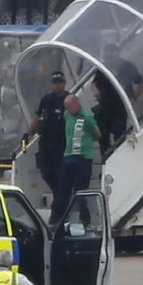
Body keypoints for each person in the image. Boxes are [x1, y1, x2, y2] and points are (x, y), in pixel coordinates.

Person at [49, 95, 101, 225]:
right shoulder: (67, 115)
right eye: (66, 107)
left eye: (69, 106)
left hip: (83, 157)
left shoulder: (87, 117)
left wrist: (87, 141)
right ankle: (59, 218)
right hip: (69, 156)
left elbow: (97, 134)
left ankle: (85, 218)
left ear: (76, 104)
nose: (67, 109)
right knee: (63, 189)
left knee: (80, 191)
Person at [23, 71, 70, 194]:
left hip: (62, 143)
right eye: (55, 83)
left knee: (60, 172)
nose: (57, 86)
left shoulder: (69, 100)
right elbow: (37, 117)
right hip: (46, 142)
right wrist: (27, 134)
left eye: (60, 83)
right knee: (46, 172)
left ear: (64, 83)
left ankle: (60, 196)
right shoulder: (47, 99)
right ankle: (57, 192)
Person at [91, 70, 127, 158]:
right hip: (111, 110)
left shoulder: (106, 82)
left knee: (116, 132)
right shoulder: (105, 79)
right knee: (105, 135)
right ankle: (108, 155)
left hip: (114, 109)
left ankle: (111, 155)